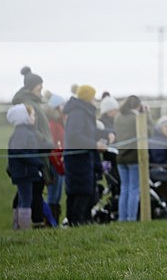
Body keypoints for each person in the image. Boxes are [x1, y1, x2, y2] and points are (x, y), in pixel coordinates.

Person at [12, 66, 53, 226]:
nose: (41, 91)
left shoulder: (33, 103)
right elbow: (33, 130)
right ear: (30, 88)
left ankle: (20, 223)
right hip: (36, 153)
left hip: (39, 152)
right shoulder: (28, 105)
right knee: (34, 191)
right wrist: (46, 141)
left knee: (27, 193)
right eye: (39, 88)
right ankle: (35, 224)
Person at [63, 85, 104, 226]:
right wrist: (95, 145)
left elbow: (89, 132)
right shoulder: (78, 113)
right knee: (80, 192)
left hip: (84, 159)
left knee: (85, 192)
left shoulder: (83, 112)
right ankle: (76, 223)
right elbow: (75, 136)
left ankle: (84, 223)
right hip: (77, 160)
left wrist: (105, 135)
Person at [6, 104, 46, 230]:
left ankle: (18, 227)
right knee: (26, 200)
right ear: (24, 117)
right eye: (32, 115)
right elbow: (20, 153)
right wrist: (38, 162)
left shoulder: (24, 132)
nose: (34, 117)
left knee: (23, 199)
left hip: (26, 171)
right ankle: (24, 229)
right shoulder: (22, 133)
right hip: (24, 172)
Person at [114, 95, 149, 222]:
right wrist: (146, 115)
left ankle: (122, 218)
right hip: (134, 157)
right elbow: (148, 133)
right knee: (134, 189)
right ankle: (131, 218)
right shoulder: (136, 118)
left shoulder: (117, 117)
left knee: (124, 189)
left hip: (120, 157)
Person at [46, 93, 66, 224]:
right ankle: (51, 221)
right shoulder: (53, 124)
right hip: (55, 162)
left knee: (57, 194)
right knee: (53, 194)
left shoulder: (59, 122)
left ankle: (54, 221)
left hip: (59, 160)